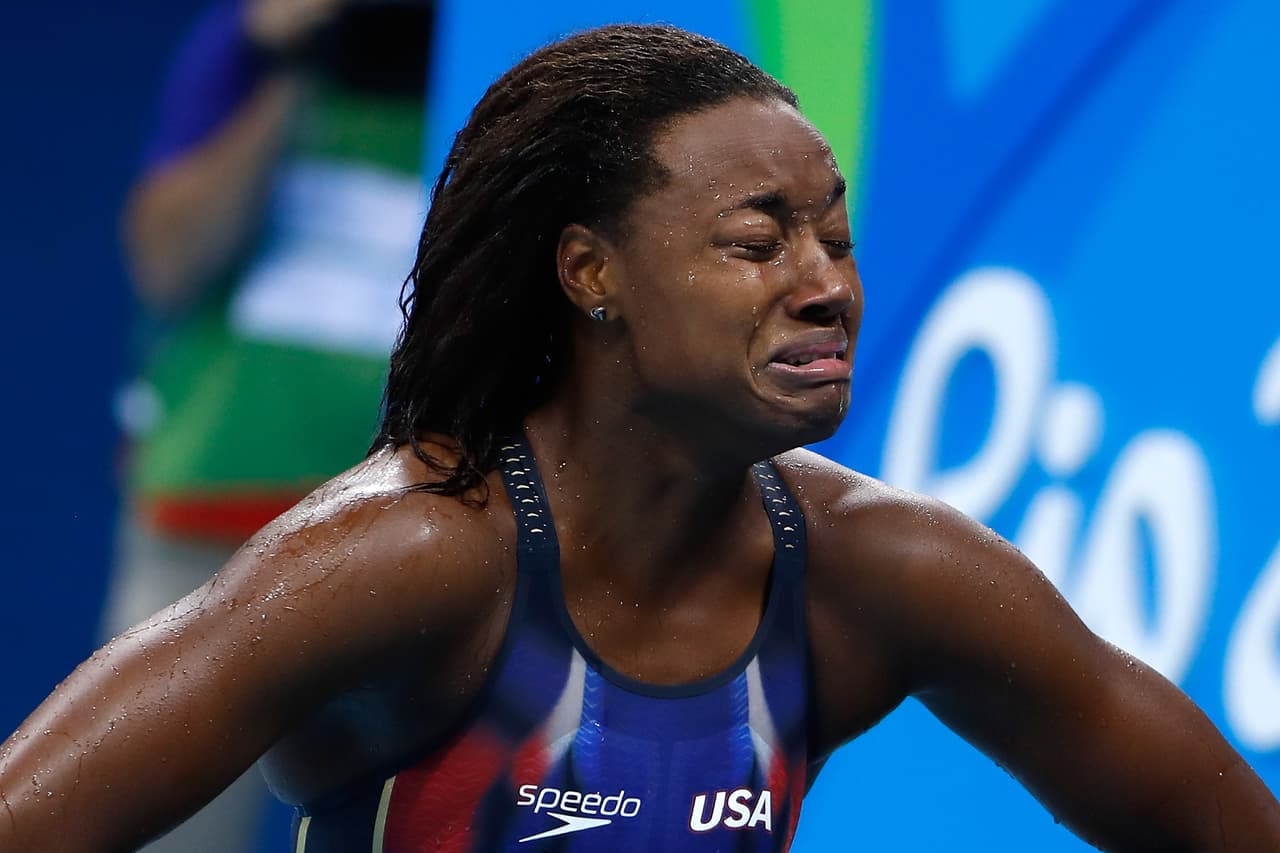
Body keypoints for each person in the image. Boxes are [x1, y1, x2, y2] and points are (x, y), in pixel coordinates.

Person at [3, 23, 1279, 853]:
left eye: (832, 236)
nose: (825, 281)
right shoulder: (401, 559)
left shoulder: (883, 571)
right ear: (589, 273)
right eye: (754, 239)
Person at [104, 0, 432, 849]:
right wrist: (291, 64)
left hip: (425, 539)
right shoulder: (247, 48)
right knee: (156, 829)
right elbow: (168, 264)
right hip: (214, 522)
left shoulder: (537, 52)